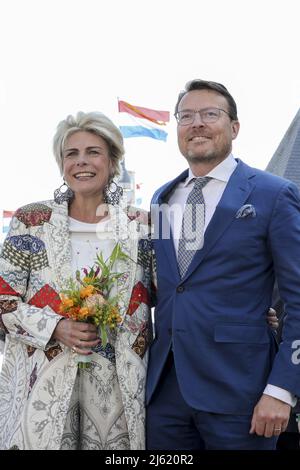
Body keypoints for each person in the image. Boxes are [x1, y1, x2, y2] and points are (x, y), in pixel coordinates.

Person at [146, 79, 300, 450]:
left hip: (242, 393)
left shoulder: (273, 194)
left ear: (234, 127)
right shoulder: (162, 198)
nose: (196, 123)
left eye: (210, 114)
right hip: (165, 395)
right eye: (186, 116)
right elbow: (170, 283)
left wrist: (282, 390)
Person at [0, 111, 152, 450]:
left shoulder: (141, 227)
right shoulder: (31, 221)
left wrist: (252, 312)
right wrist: (56, 326)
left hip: (118, 395)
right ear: (61, 164)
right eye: (72, 153)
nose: (81, 162)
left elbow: (175, 294)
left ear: (113, 161)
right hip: (42, 388)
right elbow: (4, 301)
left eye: (93, 152)